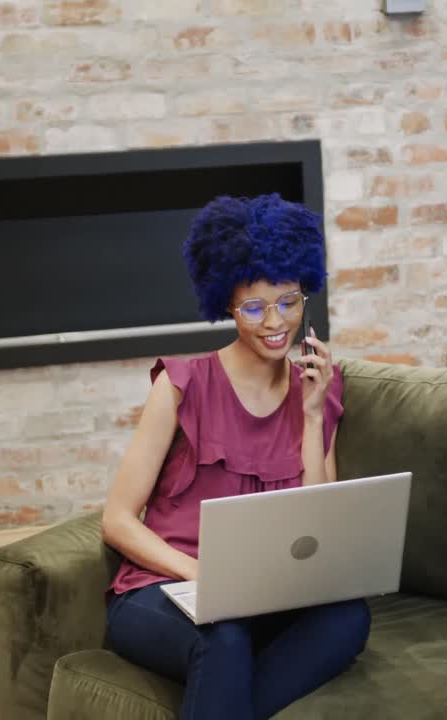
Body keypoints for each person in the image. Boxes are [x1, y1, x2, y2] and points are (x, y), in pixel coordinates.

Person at [100, 194, 370, 719]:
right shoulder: (181, 385)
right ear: (226, 303)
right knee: (222, 637)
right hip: (166, 590)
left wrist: (313, 417)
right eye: (254, 307)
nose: (275, 322)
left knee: (348, 618)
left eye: (289, 301)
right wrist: (201, 575)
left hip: (262, 599)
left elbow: (316, 528)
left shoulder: (320, 391)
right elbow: (116, 520)